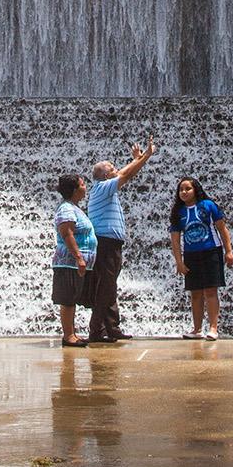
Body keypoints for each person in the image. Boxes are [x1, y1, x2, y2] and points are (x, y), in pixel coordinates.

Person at [84, 137, 157, 342]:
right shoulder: (102, 187)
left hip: (110, 244)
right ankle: (96, 330)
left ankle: (112, 327)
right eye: (112, 167)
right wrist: (145, 156)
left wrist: (138, 159)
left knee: (109, 285)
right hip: (106, 243)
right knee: (106, 287)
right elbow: (126, 173)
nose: (116, 168)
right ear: (106, 175)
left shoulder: (104, 188)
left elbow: (124, 171)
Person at [167, 177, 233, 339]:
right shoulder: (178, 212)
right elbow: (175, 239)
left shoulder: (208, 206)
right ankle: (197, 330)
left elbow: (222, 229)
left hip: (211, 251)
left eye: (187, 189)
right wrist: (179, 261)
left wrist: (229, 251)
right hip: (191, 255)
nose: (184, 192)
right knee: (195, 293)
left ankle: (213, 328)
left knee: (210, 291)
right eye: (181, 189)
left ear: (195, 190)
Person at [53, 174, 96, 348]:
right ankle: (68, 335)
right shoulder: (66, 209)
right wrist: (79, 257)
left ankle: (72, 333)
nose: (86, 187)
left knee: (72, 298)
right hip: (68, 262)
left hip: (74, 262)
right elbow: (67, 233)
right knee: (68, 299)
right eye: (83, 184)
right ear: (74, 190)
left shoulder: (73, 207)